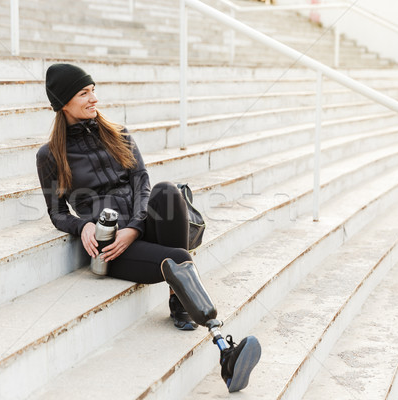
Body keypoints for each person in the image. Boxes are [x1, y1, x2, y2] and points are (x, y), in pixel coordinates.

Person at [36, 63, 260, 392]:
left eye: (93, 89)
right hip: (109, 247)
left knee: (167, 191)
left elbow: (142, 183)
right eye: (84, 93)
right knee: (178, 255)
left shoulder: (118, 134)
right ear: (62, 103)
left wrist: (137, 227)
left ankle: (178, 300)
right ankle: (224, 348)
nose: (94, 98)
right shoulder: (50, 155)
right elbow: (56, 211)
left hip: (138, 229)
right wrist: (82, 225)